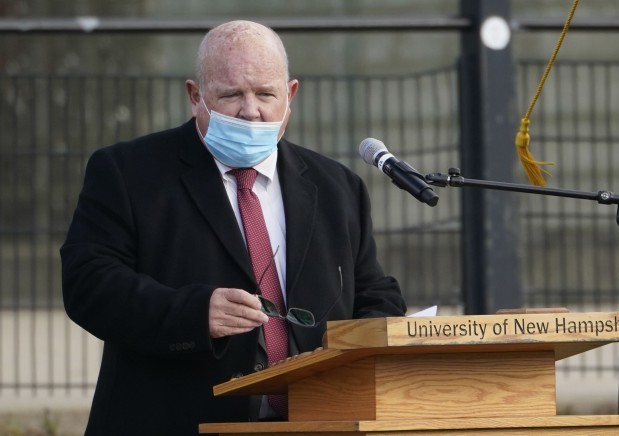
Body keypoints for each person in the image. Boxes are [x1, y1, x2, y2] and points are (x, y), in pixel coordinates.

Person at [60, 20, 406, 435]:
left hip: (316, 422)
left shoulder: (337, 186)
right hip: (175, 420)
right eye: (231, 95)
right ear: (195, 96)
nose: (250, 110)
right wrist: (193, 313)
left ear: (290, 95)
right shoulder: (128, 172)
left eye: (265, 94)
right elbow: (88, 285)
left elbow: (374, 293)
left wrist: (362, 342)